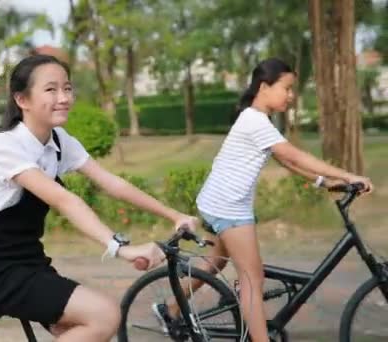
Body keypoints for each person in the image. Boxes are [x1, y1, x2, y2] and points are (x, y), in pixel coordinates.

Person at [0, 54, 198, 342]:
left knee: (82, 329)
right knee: (106, 315)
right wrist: (120, 248)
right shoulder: (5, 146)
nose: (63, 97)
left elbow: (113, 183)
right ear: (22, 100)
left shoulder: (59, 140)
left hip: (31, 261)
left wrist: (173, 215)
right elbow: (65, 200)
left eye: (67, 88)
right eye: (51, 89)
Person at [152, 58, 374, 341]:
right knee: (252, 281)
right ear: (264, 86)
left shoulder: (256, 118)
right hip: (228, 207)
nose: (291, 96)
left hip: (218, 200)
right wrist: (348, 175)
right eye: (287, 88)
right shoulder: (254, 120)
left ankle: (170, 309)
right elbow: (294, 155)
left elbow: (284, 160)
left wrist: (323, 181)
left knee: (216, 263)